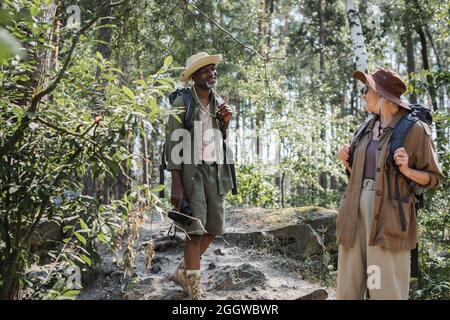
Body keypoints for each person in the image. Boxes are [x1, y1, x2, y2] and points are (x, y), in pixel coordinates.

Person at [336, 68, 444, 300]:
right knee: (348, 290)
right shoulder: (365, 129)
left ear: (382, 95)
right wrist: (347, 161)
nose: (363, 95)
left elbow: (434, 178)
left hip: (388, 221)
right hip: (354, 218)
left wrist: (407, 169)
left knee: (384, 291)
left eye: (367, 90)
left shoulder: (415, 130)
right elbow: (360, 174)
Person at [164, 52, 234, 300]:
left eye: (213, 69)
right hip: (191, 174)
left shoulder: (219, 102)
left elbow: (219, 140)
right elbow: (174, 145)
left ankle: (183, 271)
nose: (211, 73)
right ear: (193, 76)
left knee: (213, 228)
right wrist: (176, 186)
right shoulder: (182, 103)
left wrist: (225, 122)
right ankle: (194, 289)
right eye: (205, 70)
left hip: (215, 171)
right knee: (194, 230)